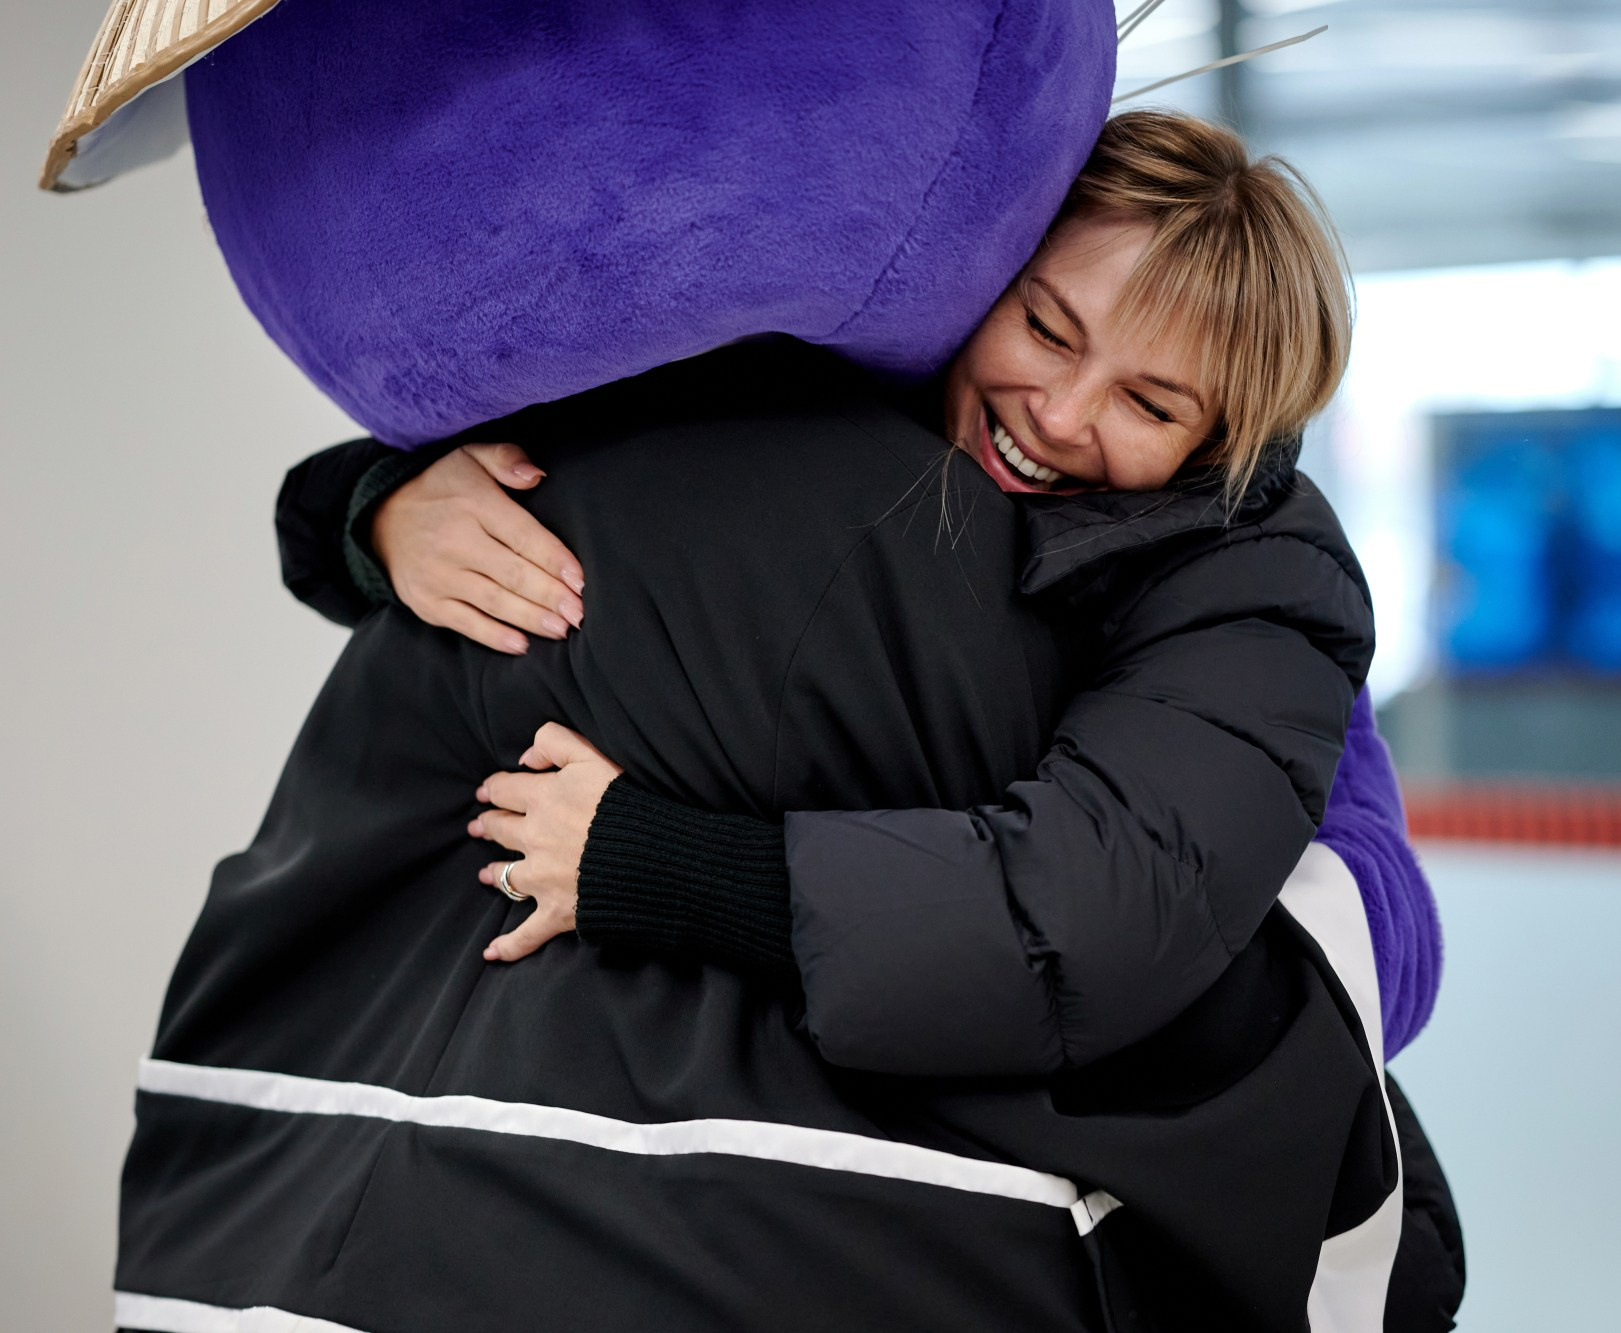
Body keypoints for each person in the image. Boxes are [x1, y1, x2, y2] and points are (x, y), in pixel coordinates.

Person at [118, 112, 1455, 1332]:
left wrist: (655, 862)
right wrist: (380, 509)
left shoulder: (1245, 578)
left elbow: (1091, 910)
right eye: (1048, 329)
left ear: (1226, 448)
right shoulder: (858, 389)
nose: (1061, 415)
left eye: (1152, 405)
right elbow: (588, 435)